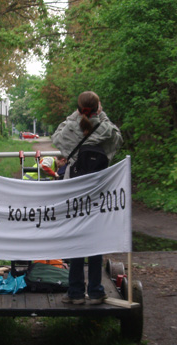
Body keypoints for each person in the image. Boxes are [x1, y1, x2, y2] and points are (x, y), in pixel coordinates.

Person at [51, 91, 123, 304]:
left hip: (74, 189)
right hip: (98, 190)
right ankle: (95, 291)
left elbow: (57, 138)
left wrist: (75, 116)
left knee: (75, 238)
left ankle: (74, 293)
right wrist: (103, 117)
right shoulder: (106, 129)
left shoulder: (72, 127)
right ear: (98, 108)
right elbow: (118, 141)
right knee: (95, 240)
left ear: (79, 107)